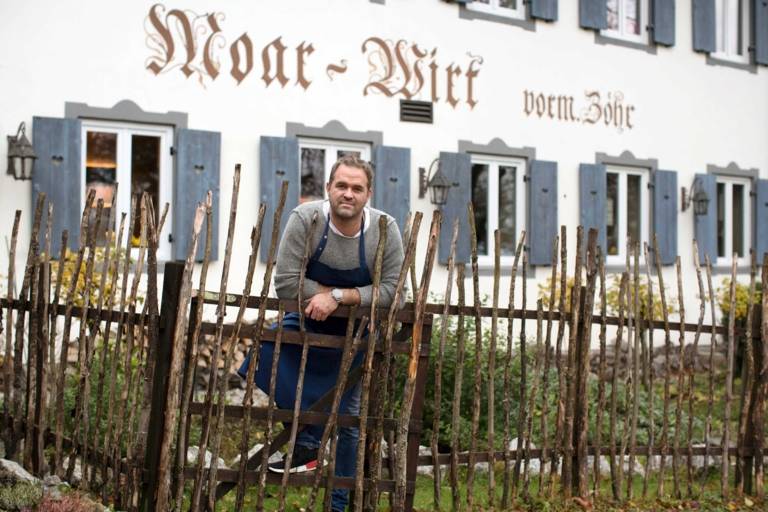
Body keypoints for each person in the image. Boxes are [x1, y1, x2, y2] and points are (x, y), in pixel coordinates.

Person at [239, 154, 404, 511]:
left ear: (368, 194)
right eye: (341, 185)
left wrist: (337, 296)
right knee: (264, 356)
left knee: (349, 418)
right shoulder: (307, 219)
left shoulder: (385, 230)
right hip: (305, 321)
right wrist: (332, 297)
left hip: (357, 332)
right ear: (328, 188)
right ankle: (309, 442)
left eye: (357, 188)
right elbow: (285, 282)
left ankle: (339, 503)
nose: (348, 193)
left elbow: (393, 290)